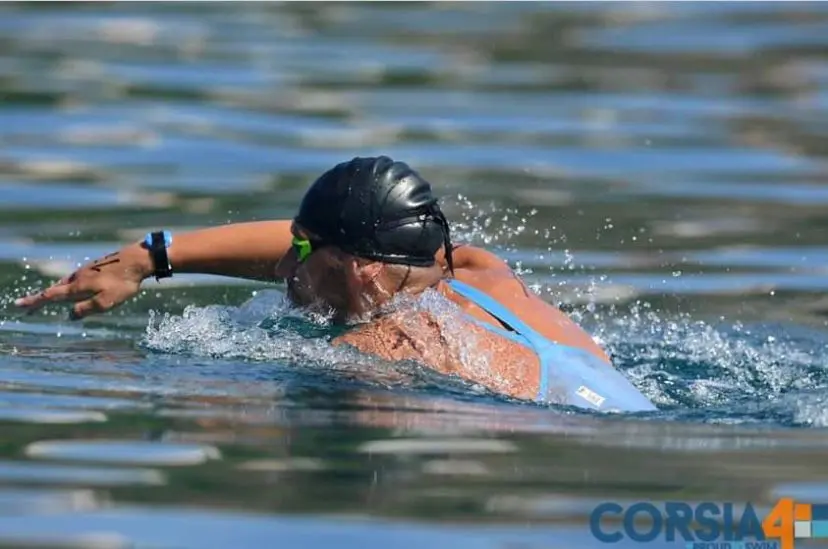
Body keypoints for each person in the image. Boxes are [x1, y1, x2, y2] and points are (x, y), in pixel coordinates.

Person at [14, 156, 656, 413]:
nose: (284, 268)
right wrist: (150, 258)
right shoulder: (484, 275)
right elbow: (318, 241)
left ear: (356, 266)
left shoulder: (375, 357)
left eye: (300, 252)